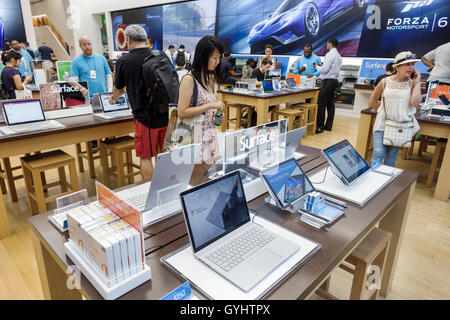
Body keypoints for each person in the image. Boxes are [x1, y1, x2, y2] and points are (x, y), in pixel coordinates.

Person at [108, 25, 168, 180]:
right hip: (165, 113)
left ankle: (149, 194)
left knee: (146, 157)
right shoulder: (160, 55)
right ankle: (164, 191)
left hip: (144, 118)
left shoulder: (124, 61)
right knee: (163, 155)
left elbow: (119, 90)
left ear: (128, 40)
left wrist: (112, 99)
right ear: (145, 38)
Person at [368, 51, 422, 167]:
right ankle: (373, 178)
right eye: (408, 64)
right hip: (382, 123)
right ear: (397, 67)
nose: (411, 67)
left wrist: (417, 83)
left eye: (413, 64)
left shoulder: (411, 83)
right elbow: (372, 101)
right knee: (378, 152)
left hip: (401, 125)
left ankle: (385, 181)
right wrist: (382, 112)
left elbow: (414, 103)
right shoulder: (385, 81)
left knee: (392, 156)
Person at [177, 35, 225, 165]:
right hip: (194, 138)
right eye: (214, 58)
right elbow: (182, 112)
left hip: (208, 136)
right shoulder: (188, 79)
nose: (217, 62)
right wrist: (210, 106)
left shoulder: (207, 78)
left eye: (219, 58)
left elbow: (204, 108)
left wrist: (215, 113)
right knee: (195, 180)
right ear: (203, 56)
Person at [313, 38, 342, 133]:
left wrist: (316, 66)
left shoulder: (330, 54)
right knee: (330, 105)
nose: (326, 45)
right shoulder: (338, 55)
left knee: (320, 104)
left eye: (327, 43)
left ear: (330, 43)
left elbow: (324, 70)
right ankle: (328, 126)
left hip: (328, 81)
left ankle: (320, 127)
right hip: (334, 81)